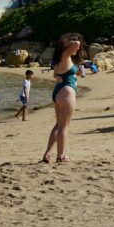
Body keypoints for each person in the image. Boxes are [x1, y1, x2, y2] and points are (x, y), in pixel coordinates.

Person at [42, 33, 84, 164]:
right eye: (75, 45)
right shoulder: (64, 56)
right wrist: (72, 39)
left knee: (58, 125)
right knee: (64, 127)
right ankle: (61, 156)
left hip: (59, 91)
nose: (77, 48)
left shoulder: (60, 58)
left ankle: (48, 153)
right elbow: (76, 44)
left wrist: (67, 43)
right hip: (66, 92)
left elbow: (56, 73)